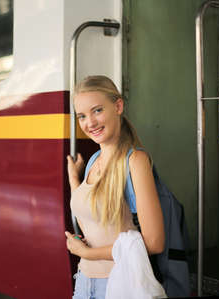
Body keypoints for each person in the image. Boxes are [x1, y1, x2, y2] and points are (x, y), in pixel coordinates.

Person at [65, 75, 165, 299]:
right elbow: (89, 219)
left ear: (118, 106)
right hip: (83, 281)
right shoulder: (94, 160)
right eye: (82, 116)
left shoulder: (135, 161)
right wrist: (74, 180)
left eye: (97, 110)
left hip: (120, 283)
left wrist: (87, 253)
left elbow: (154, 242)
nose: (89, 123)